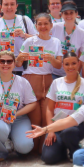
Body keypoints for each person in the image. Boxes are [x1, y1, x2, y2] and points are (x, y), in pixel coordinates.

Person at [0, 51, 38, 161]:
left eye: (9, 61)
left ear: (14, 63)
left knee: (25, 147)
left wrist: (15, 114)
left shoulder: (23, 82)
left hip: (19, 118)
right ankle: (1, 150)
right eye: (2, 61)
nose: (5, 64)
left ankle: (15, 143)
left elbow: (32, 103)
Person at [18, 13, 62, 148]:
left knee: (46, 117)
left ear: (51, 25)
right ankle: (32, 148)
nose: (43, 27)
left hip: (48, 80)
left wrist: (52, 59)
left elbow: (59, 65)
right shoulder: (29, 42)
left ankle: (44, 149)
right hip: (31, 80)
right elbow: (18, 63)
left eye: (46, 24)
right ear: (35, 26)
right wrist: (21, 58)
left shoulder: (56, 42)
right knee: (34, 119)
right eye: (40, 24)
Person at [41, 53, 84, 164]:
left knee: (69, 132)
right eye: (67, 64)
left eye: (74, 63)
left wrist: (74, 119)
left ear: (79, 64)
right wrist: (50, 130)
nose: (70, 67)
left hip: (75, 127)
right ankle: (62, 148)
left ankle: (75, 151)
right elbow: (49, 109)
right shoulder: (56, 83)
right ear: (63, 65)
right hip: (57, 126)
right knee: (48, 158)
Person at [0, 0, 35, 74]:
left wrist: (24, 35)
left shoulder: (25, 20)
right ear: (1, 7)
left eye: (12, 4)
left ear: (16, 6)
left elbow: (38, 41)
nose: (9, 7)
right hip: (1, 68)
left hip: (22, 69)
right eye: (6, 4)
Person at [50, 3, 84, 77]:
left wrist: (75, 74)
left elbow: (81, 58)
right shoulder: (54, 28)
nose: (69, 16)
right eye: (66, 13)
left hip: (72, 72)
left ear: (76, 14)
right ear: (62, 15)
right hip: (54, 72)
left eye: (71, 13)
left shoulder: (83, 34)